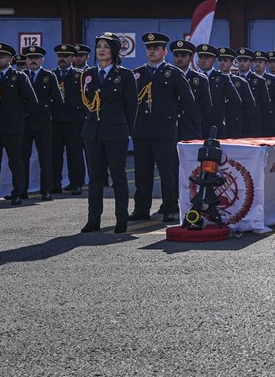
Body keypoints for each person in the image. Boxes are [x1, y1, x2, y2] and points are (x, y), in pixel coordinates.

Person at [128, 32, 195, 223]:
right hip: (141, 129)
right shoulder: (138, 73)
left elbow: (188, 99)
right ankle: (141, 208)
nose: (151, 51)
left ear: (164, 51)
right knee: (142, 172)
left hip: (164, 130)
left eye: (156, 48)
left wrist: (172, 113)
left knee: (167, 171)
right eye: (149, 48)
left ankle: (170, 207)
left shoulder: (172, 73)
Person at [80, 32, 138, 233]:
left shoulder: (124, 75)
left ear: (114, 51)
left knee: (118, 177)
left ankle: (121, 218)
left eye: (105, 46)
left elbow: (132, 107)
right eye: (99, 46)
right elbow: (85, 104)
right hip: (92, 132)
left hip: (116, 132)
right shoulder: (88, 74)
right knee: (95, 178)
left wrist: (126, 131)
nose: (101, 50)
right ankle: (93, 219)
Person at [0, 43, 37, 206]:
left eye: (2, 57)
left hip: (13, 126)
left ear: (10, 59)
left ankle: (18, 192)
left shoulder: (19, 76)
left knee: (16, 161)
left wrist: (18, 116)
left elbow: (31, 101)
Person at [20, 45, 61, 202]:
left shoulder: (48, 76)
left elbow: (58, 99)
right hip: (24, 121)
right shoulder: (21, 75)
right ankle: (22, 189)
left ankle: (46, 190)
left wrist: (48, 115)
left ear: (42, 60)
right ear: (26, 60)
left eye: (36, 58)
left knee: (45, 158)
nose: (33, 61)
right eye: (30, 58)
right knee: (22, 157)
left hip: (43, 122)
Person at [51, 43, 86, 195]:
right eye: (60, 56)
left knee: (75, 154)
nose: (62, 59)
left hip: (74, 120)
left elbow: (86, 98)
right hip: (55, 120)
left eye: (65, 56)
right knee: (54, 154)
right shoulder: (51, 75)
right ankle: (54, 184)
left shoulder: (80, 75)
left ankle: (76, 183)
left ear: (72, 58)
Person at [196, 44, 241, 139]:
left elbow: (235, 100)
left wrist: (220, 111)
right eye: (201, 57)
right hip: (195, 124)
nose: (203, 60)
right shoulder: (192, 77)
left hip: (215, 125)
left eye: (207, 58)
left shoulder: (222, 78)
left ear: (214, 60)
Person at [170, 39, 212, 142]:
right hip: (170, 125)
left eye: (183, 55)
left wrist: (195, 116)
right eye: (176, 55)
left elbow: (206, 104)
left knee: (191, 156)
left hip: (192, 126)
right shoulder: (167, 76)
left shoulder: (200, 79)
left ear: (191, 57)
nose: (179, 58)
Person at [236, 48, 269, 136]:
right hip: (235, 121)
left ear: (251, 63)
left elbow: (265, 105)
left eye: (245, 60)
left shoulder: (259, 81)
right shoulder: (232, 79)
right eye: (239, 60)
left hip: (252, 123)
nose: (242, 63)